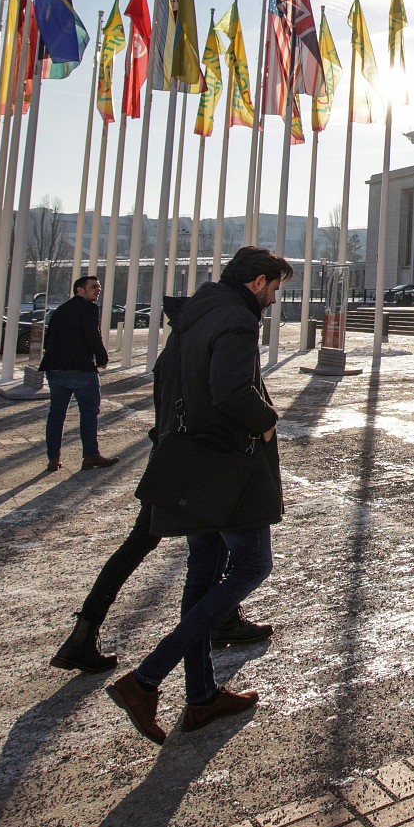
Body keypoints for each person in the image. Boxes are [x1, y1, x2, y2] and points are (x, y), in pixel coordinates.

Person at [106, 246, 290, 742]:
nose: (275, 299)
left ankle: (202, 696)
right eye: (275, 288)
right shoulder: (236, 319)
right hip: (228, 464)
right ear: (257, 282)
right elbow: (231, 390)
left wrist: (172, 440)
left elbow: (164, 381)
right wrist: (267, 422)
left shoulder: (195, 312)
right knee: (252, 566)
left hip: (191, 460)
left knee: (203, 571)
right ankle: (146, 680)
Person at [43, 276, 118, 473]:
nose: (98, 290)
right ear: (80, 290)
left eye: (99, 287)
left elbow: (48, 337)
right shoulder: (89, 308)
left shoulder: (60, 309)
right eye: (93, 287)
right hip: (80, 369)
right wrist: (102, 358)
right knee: (89, 414)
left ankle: (53, 458)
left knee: (56, 415)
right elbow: (93, 335)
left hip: (55, 369)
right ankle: (90, 455)